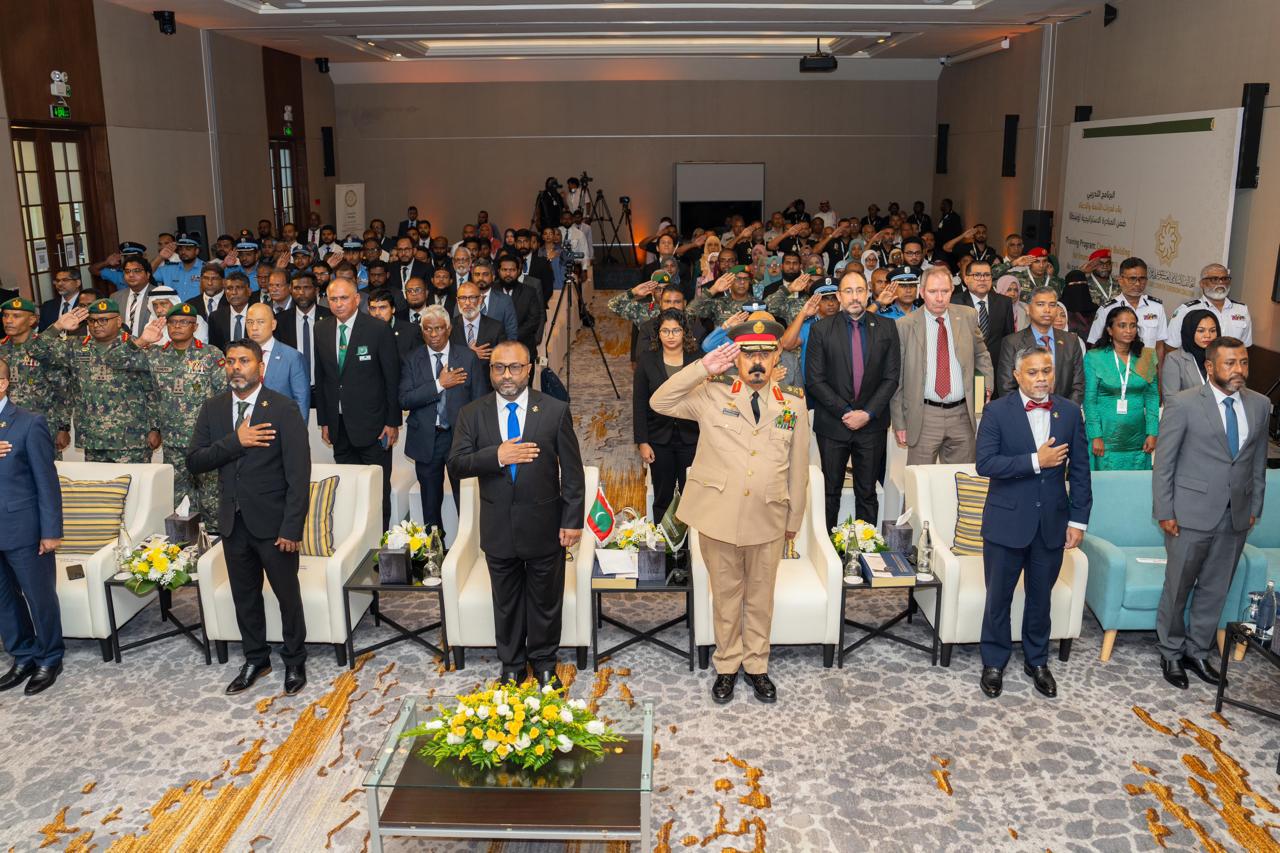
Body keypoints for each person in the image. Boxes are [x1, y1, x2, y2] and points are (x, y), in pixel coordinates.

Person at [650, 313, 809, 705]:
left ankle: (756, 665)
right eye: (748, 354)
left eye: (765, 354)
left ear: (777, 358)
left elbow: (799, 468)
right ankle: (726, 665)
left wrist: (793, 520)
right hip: (718, 516)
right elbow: (660, 401)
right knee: (725, 596)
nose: (757, 362)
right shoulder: (712, 394)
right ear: (736, 358)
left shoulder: (793, 403)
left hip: (768, 516)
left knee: (760, 597)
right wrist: (702, 368)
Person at [448, 340, 584, 686]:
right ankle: (511, 665)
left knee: (545, 601)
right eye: (498, 367)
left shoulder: (554, 410)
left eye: (514, 367)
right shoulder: (472, 413)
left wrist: (572, 521)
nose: (506, 375)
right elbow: (457, 464)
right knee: (506, 603)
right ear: (490, 371)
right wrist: (497, 456)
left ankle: (544, 663)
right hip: (498, 528)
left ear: (529, 369)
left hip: (545, 525)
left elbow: (572, 472)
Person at [188, 339, 311, 697]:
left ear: (261, 367)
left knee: (287, 596)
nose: (236, 367)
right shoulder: (213, 408)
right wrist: (236, 441)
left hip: (274, 525)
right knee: (245, 596)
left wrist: (292, 527)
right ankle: (256, 658)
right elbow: (195, 461)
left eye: (244, 361)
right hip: (232, 521)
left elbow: (298, 475)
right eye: (230, 361)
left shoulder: (284, 408)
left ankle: (294, 659)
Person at [1153, 337, 1268, 690]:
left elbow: (1258, 462)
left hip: (1236, 515)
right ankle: (1171, 652)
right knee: (1178, 587)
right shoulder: (1183, 403)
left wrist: (1254, 508)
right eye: (1230, 363)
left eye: (1243, 362)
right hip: (1189, 514)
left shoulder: (1260, 405)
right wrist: (1165, 510)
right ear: (1210, 366)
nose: (1238, 370)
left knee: (1216, 588)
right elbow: (1164, 464)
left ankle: (1198, 650)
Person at [975, 347, 1091, 700]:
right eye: (1033, 372)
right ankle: (994, 662)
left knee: (1041, 599)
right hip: (1006, 522)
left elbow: (1081, 471)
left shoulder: (1069, 412)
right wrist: (1036, 461)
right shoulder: (997, 411)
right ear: (1017, 375)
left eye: (1047, 371)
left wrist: (1078, 520)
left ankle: (1037, 661)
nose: (1042, 378)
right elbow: (985, 464)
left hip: (1051, 523)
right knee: (998, 597)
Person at [805, 271, 901, 531]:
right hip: (833, 425)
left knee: (867, 492)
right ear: (838, 296)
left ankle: (864, 549)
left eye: (860, 290)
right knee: (830, 492)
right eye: (848, 291)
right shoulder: (820, 329)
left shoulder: (887, 328)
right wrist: (846, 412)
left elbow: (891, 378)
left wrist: (867, 414)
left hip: (872, 425)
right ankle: (827, 550)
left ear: (868, 293)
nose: (855, 296)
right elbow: (814, 380)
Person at [0, 358, 65, 695]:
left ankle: (50, 657)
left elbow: (46, 481)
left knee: (39, 597)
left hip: (23, 527)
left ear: (3, 384)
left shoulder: (29, 423)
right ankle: (23, 655)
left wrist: (51, 531)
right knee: (3, 601)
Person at [314, 279, 401, 527]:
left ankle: (380, 541)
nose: (338, 304)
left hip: (374, 427)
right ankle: (354, 541)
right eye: (333, 299)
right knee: (348, 490)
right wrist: (324, 421)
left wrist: (392, 422)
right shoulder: (321, 329)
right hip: (339, 426)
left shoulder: (377, 329)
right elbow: (322, 378)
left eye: (344, 298)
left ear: (357, 299)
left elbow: (391, 378)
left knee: (377, 490)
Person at [131, 304, 227, 523]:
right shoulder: (155, 354)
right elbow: (119, 362)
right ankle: (182, 539)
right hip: (172, 441)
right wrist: (143, 340)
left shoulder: (211, 354)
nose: (177, 327)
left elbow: (223, 396)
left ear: (195, 327)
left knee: (211, 498)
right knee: (178, 499)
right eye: (173, 322)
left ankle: (215, 539)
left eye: (184, 322)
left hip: (205, 441)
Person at [890, 267, 993, 465]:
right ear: (922, 292)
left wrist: (986, 385)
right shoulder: (905, 325)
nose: (939, 298)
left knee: (960, 480)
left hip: (962, 415)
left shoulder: (968, 316)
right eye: (933, 291)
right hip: (923, 416)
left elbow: (981, 354)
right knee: (920, 480)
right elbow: (898, 378)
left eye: (945, 291)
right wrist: (899, 422)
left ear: (952, 291)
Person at [36, 302, 159, 462]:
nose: (96, 325)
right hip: (92, 438)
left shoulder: (138, 346)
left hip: (131, 438)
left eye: (103, 320)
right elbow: (35, 350)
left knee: (132, 479)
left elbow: (152, 391)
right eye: (92, 320)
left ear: (118, 321)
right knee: (97, 480)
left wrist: (155, 428)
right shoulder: (76, 346)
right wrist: (58, 326)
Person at [401, 306, 486, 534]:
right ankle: (435, 547)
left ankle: (468, 543)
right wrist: (440, 384)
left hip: (460, 439)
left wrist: (478, 438)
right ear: (422, 331)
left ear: (448, 329)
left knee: (465, 499)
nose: (434, 334)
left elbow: (479, 401)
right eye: (428, 329)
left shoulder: (467, 357)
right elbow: (405, 399)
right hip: (427, 439)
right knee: (430, 504)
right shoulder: (412, 359)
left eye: (438, 328)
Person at [633, 309, 701, 523]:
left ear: (684, 332)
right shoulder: (647, 359)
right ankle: (663, 541)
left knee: (692, 495)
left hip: (692, 438)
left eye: (676, 330)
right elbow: (639, 402)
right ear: (658, 333)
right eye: (665, 331)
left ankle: (690, 542)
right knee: (663, 495)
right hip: (658, 438)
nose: (671, 336)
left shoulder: (698, 359)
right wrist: (642, 442)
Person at [1084, 305, 1159, 471]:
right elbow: (1090, 400)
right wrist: (1095, 435)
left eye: (1133, 326)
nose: (1129, 331)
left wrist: (1152, 432)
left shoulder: (1146, 356)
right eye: (1122, 325)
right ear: (1110, 330)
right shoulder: (1095, 357)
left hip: (1138, 438)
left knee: (1136, 483)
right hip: (1104, 437)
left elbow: (1152, 397)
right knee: (1105, 483)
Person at [0, 298, 71, 456]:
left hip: (42, 426)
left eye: (16, 316)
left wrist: (63, 428)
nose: (9, 321)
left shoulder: (46, 348)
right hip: (6, 428)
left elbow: (62, 389)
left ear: (32, 320)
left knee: (43, 469)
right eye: (5, 315)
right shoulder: (1, 348)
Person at [997, 286, 1084, 404]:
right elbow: (1006, 387)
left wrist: (1066, 411)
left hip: (1064, 410)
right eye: (1040, 304)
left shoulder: (1071, 341)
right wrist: (1029, 411)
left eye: (1052, 305)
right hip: (1025, 410)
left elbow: (1078, 384)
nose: (1047, 310)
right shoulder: (1012, 342)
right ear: (1028, 309)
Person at [1087, 257, 1167, 352]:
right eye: (1132, 279)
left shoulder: (1156, 307)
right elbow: (1094, 345)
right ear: (1120, 280)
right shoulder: (1107, 310)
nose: (1137, 284)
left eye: (1142, 279)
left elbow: (1159, 345)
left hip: (1147, 361)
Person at [1165, 263, 1253, 350]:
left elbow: (1245, 347)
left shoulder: (1241, 310)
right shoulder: (1186, 310)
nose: (1221, 283)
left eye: (1225, 279)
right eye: (1214, 279)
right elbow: (1171, 347)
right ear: (1202, 284)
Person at [244, 303, 309, 419]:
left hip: (280, 425)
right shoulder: (239, 356)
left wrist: (297, 430)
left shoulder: (292, 357)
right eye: (249, 322)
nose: (254, 327)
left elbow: (301, 402)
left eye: (260, 322)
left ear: (273, 325)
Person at [951, 258, 1015, 366]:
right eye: (977, 275)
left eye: (986, 275)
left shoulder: (1004, 302)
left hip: (996, 366)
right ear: (966, 279)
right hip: (964, 365)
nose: (982, 279)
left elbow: (1009, 338)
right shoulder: (953, 303)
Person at [1161, 309, 1218, 397]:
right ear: (1189, 331)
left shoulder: (1221, 357)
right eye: (1201, 331)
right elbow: (1170, 399)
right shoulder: (1174, 359)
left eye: (1212, 331)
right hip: (1188, 406)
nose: (1208, 335)